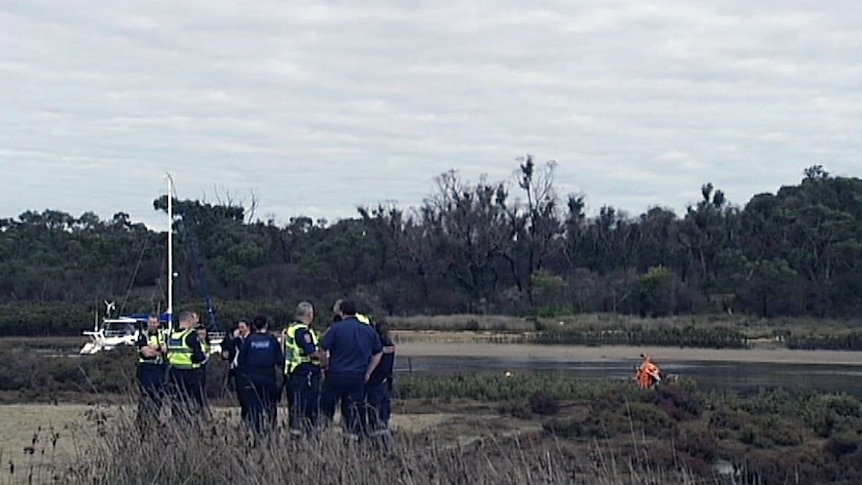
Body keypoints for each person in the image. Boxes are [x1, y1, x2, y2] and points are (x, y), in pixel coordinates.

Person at [320, 299, 383, 441]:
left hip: (336, 375)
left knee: (326, 409)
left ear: (341, 312)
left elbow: (322, 350)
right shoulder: (368, 330)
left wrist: (325, 367)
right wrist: (368, 372)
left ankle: (323, 439)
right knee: (352, 411)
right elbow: (378, 352)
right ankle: (352, 442)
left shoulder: (336, 329)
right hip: (358, 377)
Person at [283, 301, 326, 438]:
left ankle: (295, 438)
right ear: (310, 314)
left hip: (294, 374)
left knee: (295, 409)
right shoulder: (302, 331)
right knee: (308, 409)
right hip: (304, 373)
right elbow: (311, 353)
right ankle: (307, 438)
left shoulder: (291, 329)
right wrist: (325, 357)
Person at [237, 315, 284, 435]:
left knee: (254, 409)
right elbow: (280, 360)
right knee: (270, 408)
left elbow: (241, 361)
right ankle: (272, 432)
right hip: (269, 379)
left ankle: (257, 433)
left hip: (252, 380)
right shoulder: (272, 340)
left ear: (253, 326)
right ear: (266, 325)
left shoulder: (249, 340)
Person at [165, 311, 208, 419]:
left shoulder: (172, 335)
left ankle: (177, 421)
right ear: (188, 321)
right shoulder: (191, 335)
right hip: (190, 374)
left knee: (177, 401)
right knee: (192, 403)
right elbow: (199, 357)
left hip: (174, 373)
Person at [365, 320, 396, 444]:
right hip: (386, 382)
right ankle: (384, 438)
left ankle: (376, 441)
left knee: (373, 412)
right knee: (384, 413)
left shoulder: (376, 346)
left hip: (374, 382)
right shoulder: (391, 345)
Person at [135, 314, 166, 434]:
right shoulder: (143, 335)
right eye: (150, 322)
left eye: (154, 322)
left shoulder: (162, 334)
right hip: (146, 370)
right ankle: (142, 424)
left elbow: (166, 349)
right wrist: (158, 351)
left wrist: (154, 350)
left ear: (158, 324)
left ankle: (154, 421)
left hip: (160, 369)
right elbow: (146, 353)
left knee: (158, 398)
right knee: (145, 398)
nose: (152, 325)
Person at [222, 320, 250, 419]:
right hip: (235, 369)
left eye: (242, 327)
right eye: (239, 327)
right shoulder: (235, 340)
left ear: (248, 327)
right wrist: (234, 339)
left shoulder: (249, 339)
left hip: (247, 370)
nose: (240, 329)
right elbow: (227, 350)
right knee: (240, 394)